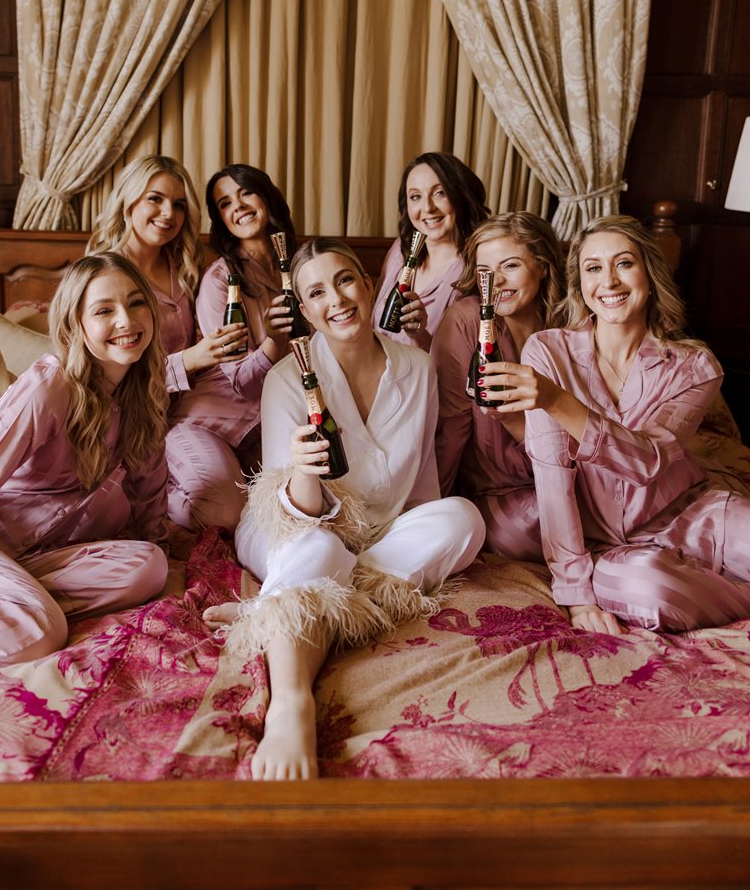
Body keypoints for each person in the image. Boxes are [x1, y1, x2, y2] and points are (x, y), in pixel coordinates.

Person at [204, 239, 485, 779]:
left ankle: (272, 605)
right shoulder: (288, 378)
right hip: (293, 527)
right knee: (321, 546)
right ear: (305, 311)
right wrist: (306, 468)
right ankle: (291, 703)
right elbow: (290, 512)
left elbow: (422, 481)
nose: (336, 298)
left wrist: (429, 533)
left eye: (346, 280)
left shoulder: (418, 367)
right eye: (316, 292)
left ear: (370, 285)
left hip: (380, 536)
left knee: (464, 518)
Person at [483, 215, 750, 634]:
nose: (608, 281)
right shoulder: (547, 351)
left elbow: (649, 461)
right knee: (652, 592)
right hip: (598, 537)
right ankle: (657, 577)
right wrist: (576, 594)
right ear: (580, 285)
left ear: (649, 273)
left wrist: (557, 400)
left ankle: (689, 570)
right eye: (593, 268)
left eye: (623, 263)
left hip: (686, 513)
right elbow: (553, 474)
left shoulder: (695, 367)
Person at [0, 252, 170, 668]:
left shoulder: (145, 389)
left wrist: (161, 540)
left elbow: (148, 484)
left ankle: (11, 596)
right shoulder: (50, 385)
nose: (126, 321)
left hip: (37, 554)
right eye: (104, 310)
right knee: (40, 633)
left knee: (148, 567)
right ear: (76, 324)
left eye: (135, 303)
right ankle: (10, 604)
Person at [88, 156, 249, 532]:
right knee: (221, 509)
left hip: (188, 413)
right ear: (129, 202)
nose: (168, 213)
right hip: (131, 419)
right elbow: (103, 373)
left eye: (178, 204)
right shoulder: (103, 272)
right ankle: (138, 502)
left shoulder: (188, 267)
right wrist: (188, 360)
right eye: (155, 199)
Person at [431, 212, 565, 559]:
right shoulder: (466, 321)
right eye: (486, 272)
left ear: (543, 265)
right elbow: (450, 428)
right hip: (498, 491)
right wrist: (430, 513)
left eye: (511, 265)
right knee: (541, 521)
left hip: (570, 477)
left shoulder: (570, 325)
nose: (497, 281)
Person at [195, 163, 301, 463]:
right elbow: (242, 382)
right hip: (231, 421)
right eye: (225, 203)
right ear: (221, 220)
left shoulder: (302, 264)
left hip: (297, 406)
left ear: (267, 197)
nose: (238, 206)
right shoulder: (219, 282)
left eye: (246, 193)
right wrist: (273, 341)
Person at [372, 152, 490, 349]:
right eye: (415, 196)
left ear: (460, 195)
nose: (427, 207)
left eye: (439, 193)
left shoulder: (479, 265)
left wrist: (420, 334)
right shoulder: (400, 251)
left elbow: (458, 364)